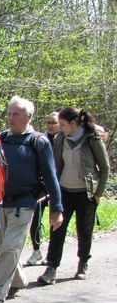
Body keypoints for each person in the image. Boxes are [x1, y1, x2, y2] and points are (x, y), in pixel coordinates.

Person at [0, 98, 63, 303]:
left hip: (25, 204)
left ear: (29, 117)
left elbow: (50, 176)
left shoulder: (38, 141)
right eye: (10, 114)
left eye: (16, 114)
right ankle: (18, 280)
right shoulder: (1, 139)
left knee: (10, 248)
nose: (11, 118)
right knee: (5, 248)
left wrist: (57, 208)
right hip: (2, 204)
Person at [38, 107, 110, 284]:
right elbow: (55, 165)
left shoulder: (92, 139)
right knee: (57, 229)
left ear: (73, 123)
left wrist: (98, 194)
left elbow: (105, 168)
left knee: (84, 231)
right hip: (64, 191)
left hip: (86, 193)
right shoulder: (61, 138)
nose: (59, 128)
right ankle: (51, 268)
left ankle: (83, 262)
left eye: (62, 124)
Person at [26, 111, 60, 266]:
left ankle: (51, 253)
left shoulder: (64, 140)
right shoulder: (40, 140)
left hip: (58, 186)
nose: (51, 125)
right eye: (48, 122)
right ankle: (36, 250)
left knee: (56, 220)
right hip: (40, 187)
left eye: (54, 122)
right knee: (36, 219)